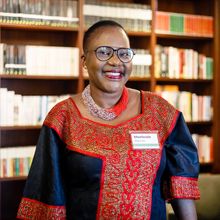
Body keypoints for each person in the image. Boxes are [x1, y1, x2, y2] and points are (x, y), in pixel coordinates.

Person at [17, 20, 200, 220]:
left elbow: (182, 186)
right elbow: (45, 197)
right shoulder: (62, 118)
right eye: (104, 52)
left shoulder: (160, 112)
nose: (116, 62)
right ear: (84, 61)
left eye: (124, 53)